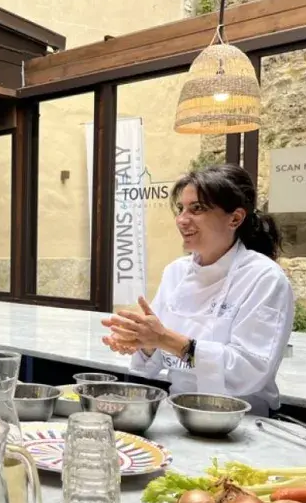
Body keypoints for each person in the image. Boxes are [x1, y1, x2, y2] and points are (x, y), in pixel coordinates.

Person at [102, 164, 295, 417]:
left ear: (235, 218)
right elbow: (154, 362)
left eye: (197, 209)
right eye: (181, 209)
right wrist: (145, 342)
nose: (182, 219)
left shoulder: (264, 278)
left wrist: (165, 339)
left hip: (242, 423)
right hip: (179, 413)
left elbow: (249, 372)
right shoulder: (176, 272)